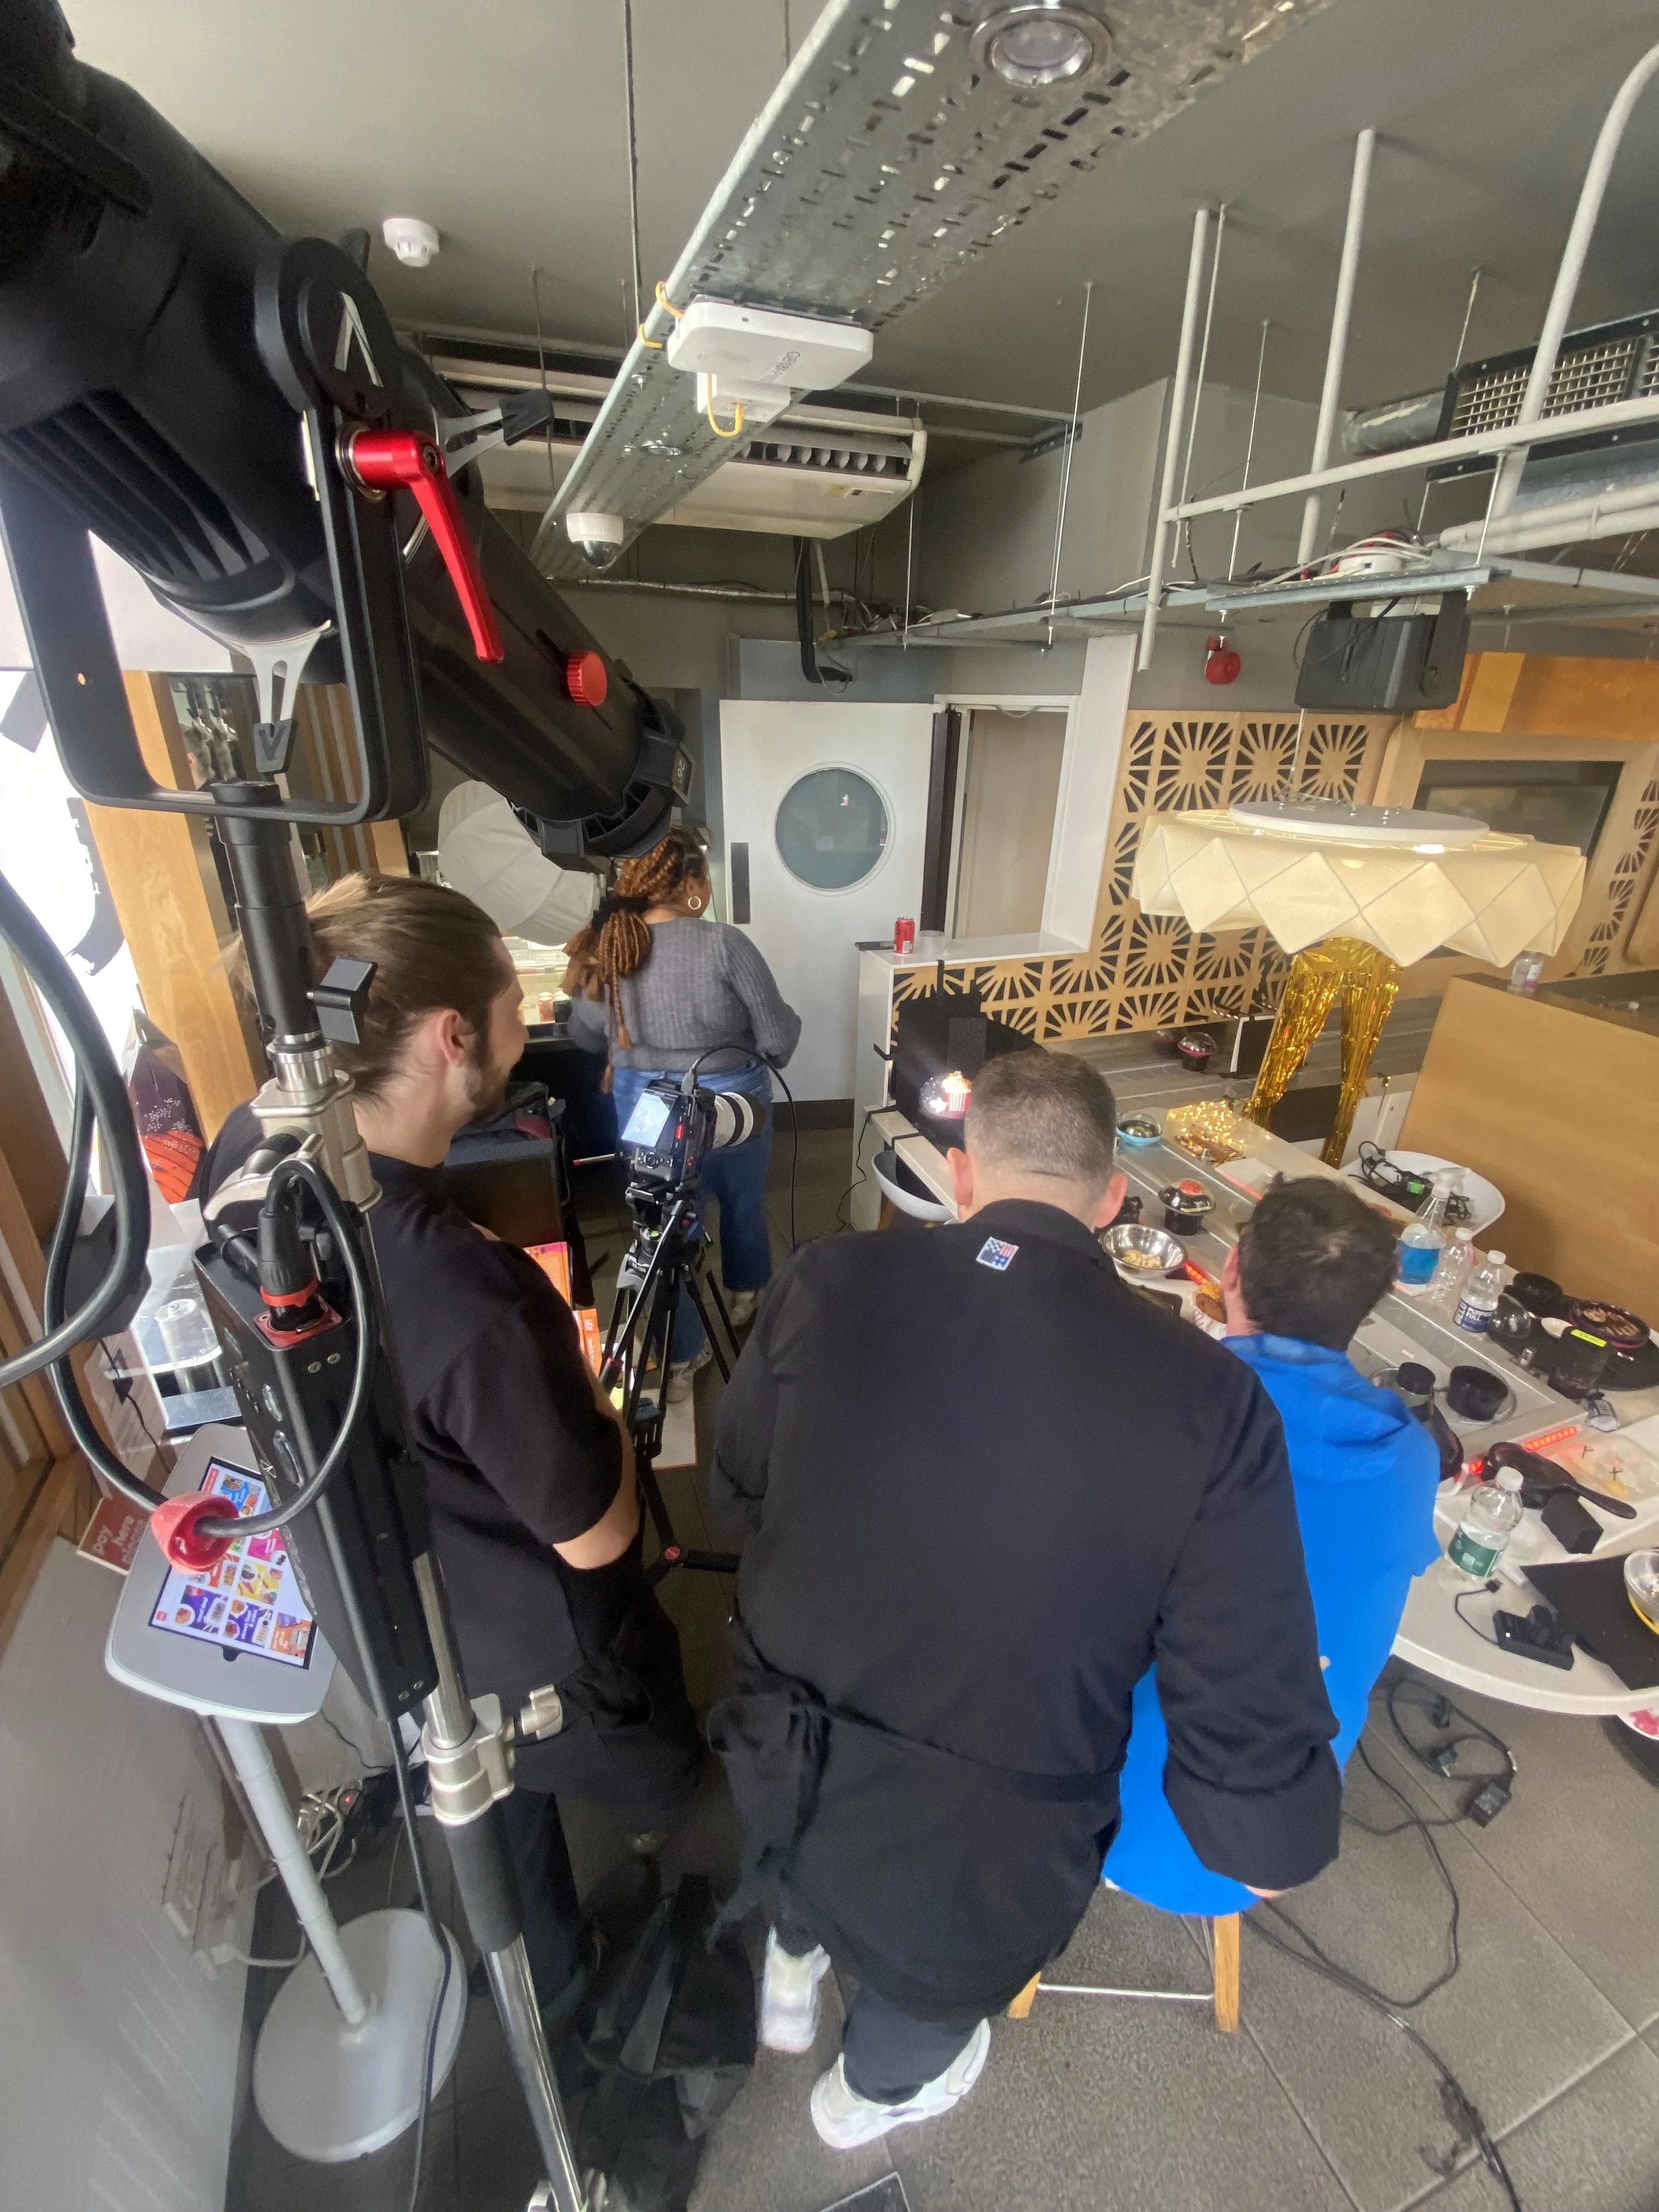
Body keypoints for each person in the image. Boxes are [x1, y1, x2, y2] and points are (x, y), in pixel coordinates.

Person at [706, 1048, 1341, 2151]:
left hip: (783, 1745)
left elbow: (735, 1489)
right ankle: (870, 2094)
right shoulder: (1215, 1402)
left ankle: (791, 1962)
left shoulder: (824, 1278)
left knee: (798, 1863)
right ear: (1110, 1202)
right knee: (921, 1993)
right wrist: (1268, 1829)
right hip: (974, 1844)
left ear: (962, 1175)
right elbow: (1256, 1812)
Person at [199, 873, 703, 2026]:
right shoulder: (470, 1290)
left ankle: (546, 1981)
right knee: (654, 1753)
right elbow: (601, 1532)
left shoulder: (244, 1154)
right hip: (540, 1647)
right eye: (512, 1003)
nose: (529, 1025)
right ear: (449, 1035)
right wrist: (602, 1406)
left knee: (486, 1804)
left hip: (394, 1625)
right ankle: (647, 1855)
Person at [1105, 1174, 1441, 1916]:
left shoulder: (1168, 1408)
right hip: (1269, 1838)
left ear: (1228, 1272)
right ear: (1367, 1307)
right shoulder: (1412, 1456)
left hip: (1109, 1820)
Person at [562, 826, 800, 1394]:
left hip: (646, 1105)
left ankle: (682, 1353)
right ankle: (748, 1293)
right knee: (743, 1199)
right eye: (706, 877)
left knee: (664, 1224)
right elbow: (776, 1039)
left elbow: (585, 1033)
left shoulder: (613, 945)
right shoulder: (724, 943)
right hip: (733, 1101)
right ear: (691, 883)